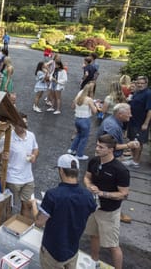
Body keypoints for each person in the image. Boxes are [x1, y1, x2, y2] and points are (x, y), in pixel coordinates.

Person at [34, 154, 96, 269]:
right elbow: (90, 210)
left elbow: (39, 222)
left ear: (61, 170)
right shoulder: (88, 196)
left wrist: (34, 206)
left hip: (53, 251)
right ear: (77, 171)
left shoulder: (53, 195)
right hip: (73, 249)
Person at [84, 134, 130, 269]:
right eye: (97, 145)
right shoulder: (94, 161)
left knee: (113, 245)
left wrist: (103, 193)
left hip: (109, 212)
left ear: (111, 150)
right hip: (93, 208)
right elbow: (87, 178)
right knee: (93, 236)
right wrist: (89, 186)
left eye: (101, 147)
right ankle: (94, 262)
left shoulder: (120, 170)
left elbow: (124, 194)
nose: (97, 149)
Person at [0, 114, 38, 219]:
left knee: (27, 205)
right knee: (9, 206)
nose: (24, 126)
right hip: (12, 179)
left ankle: (23, 226)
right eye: (21, 124)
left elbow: (35, 148)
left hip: (28, 178)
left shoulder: (31, 135)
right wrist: (2, 155)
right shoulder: (7, 139)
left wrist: (34, 156)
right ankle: (6, 226)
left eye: (26, 123)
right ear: (14, 125)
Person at [123, 75, 151, 168]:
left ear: (146, 84)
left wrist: (146, 123)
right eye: (138, 83)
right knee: (132, 140)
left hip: (140, 123)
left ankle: (136, 161)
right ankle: (132, 157)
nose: (140, 85)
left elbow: (150, 110)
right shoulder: (137, 92)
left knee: (138, 142)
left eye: (142, 83)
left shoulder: (148, 94)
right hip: (132, 121)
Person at [68, 83, 98, 160]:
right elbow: (94, 111)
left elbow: (72, 106)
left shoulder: (77, 98)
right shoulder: (89, 100)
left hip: (77, 119)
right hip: (85, 120)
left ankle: (72, 149)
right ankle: (79, 154)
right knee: (84, 138)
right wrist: (96, 106)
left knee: (78, 134)